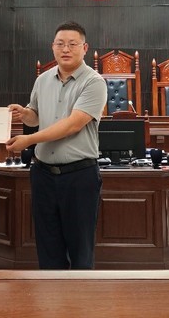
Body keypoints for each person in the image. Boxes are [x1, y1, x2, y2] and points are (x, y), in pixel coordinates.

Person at [6, 20, 107, 269]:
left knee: (80, 249)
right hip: (43, 174)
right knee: (48, 246)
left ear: (85, 48)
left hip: (79, 175)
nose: (66, 49)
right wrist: (24, 114)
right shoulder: (42, 80)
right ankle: (51, 294)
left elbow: (73, 124)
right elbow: (35, 116)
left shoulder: (94, 82)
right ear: (52, 47)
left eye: (72, 44)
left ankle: (80, 294)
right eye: (60, 44)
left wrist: (29, 140)